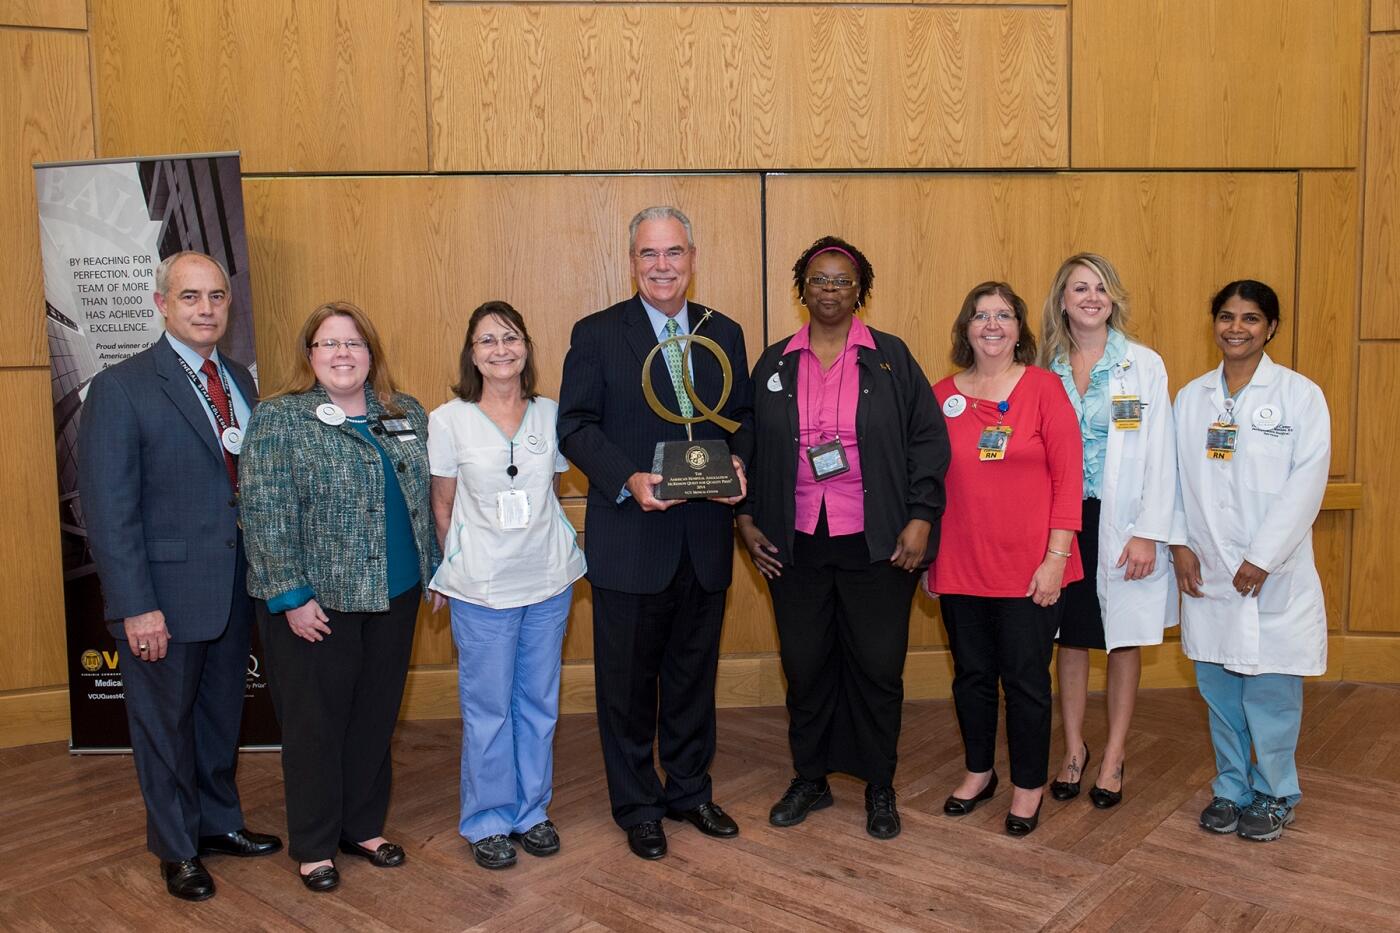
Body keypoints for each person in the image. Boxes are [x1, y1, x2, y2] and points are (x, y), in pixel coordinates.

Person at [77, 251, 282, 902]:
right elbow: (108, 510)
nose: (206, 308)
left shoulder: (239, 379)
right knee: (163, 728)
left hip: (233, 587)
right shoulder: (122, 387)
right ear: (161, 304)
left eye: (216, 296)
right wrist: (135, 605)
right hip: (161, 597)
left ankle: (218, 823)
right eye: (190, 296)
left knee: (219, 717)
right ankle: (177, 848)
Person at [736, 236, 949, 839]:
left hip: (877, 540)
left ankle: (880, 784)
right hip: (795, 540)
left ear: (861, 292)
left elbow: (928, 440)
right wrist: (745, 516)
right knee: (805, 665)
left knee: (878, 666)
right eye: (819, 280)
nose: (830, 290)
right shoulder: (775, 362)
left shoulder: (890, 357)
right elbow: (746, 444)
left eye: (842, 281)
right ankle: (811, 777)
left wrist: (921, 515)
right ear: (802, 289)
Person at [557, 205, 753, 860]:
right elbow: (575, 425)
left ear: (692, 258)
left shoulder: (724, 331)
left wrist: (741, 462)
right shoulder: (596, 333)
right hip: (632, 539)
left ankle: (690, 790)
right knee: (628, 687)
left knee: (694, 679)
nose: (662, 265)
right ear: (632, 261)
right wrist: (627, 478)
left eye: (673, 252)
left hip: (704, 539)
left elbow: (743, 417)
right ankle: (638, 804)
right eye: (649, 253)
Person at [239, 301, 439, 891]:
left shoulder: (404, 412)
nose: (342, 353)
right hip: (316, 604)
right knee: (315, 727)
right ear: (310, 355)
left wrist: (436, 572)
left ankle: (362, 827)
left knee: (375, 719)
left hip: (396, 593)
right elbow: (264, 510)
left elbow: (429, 498)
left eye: (353, 343)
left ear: (371, 354)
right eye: (329, 343)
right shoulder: (280, 417)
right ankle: (315, 844)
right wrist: (290, 595)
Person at [427, 301, 586, 870]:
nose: (501, 349)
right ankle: (488, 819)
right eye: (488, 340)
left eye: (511, 337)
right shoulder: (448, 420)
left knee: (539, 704)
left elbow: (554, 491)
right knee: (488, 708)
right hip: (482, 588)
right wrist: (447, 570)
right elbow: (442, 507)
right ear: (472, 355)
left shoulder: (551, 413)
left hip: (548, 580)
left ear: (526, 348)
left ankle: (532, 811)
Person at [1170, 280, 1329, 842]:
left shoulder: (1299, 396)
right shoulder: (1191, 398)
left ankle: (1277, 792)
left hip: (1273, 574)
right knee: (1219, 694)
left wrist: (1262, 558)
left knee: (1270, 694)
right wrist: (1180, 545)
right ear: (1214, 323)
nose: (1236, 328)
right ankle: (1231, 787)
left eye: (1251, 318)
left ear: (1271, 327)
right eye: (1227, 317)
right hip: (1209, 572)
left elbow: (1306, 485)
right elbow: (1172, 480)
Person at [929, 281, 1084, 837]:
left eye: (1003, 315)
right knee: (970, 678)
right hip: (960, 562)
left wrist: (1056, 557)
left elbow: (1069, 480)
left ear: (1019, 329)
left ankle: (1028, 784)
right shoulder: (940, 395)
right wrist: (929, 557)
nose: (991, 325)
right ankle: (979, 772)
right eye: (980, 316)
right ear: (965, 328)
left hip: (1032, 568)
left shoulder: (1044, 388)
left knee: (1024, 681)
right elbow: (924, 481)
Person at [1038, 254, 1177, 810]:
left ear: (1113, 298)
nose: (1092, 297)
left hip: (1123, 522)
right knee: (1068, 638)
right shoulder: (1043, 367)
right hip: (1061, 524)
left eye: (1101, 288)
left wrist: (1148, 533)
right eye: (1080, 288)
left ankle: (1115, 754)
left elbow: (1162, 454)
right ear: (1063, 300)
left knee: (1123, 638)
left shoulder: (1143, 365)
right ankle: (1074, 748)